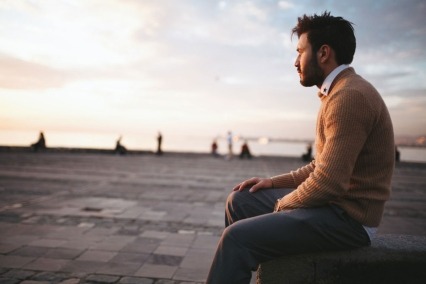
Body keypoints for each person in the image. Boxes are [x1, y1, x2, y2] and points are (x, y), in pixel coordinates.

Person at [207, 11, 395, 284]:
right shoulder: (337, 92)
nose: (295, 62)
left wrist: (282, 205)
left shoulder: (350, 97)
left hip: (349, 221)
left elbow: (329, 183)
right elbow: (321, 165)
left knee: (236, 239)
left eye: (300, 52)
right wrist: (272, 183)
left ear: (323, 53)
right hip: (332, 208)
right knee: (242, 199)